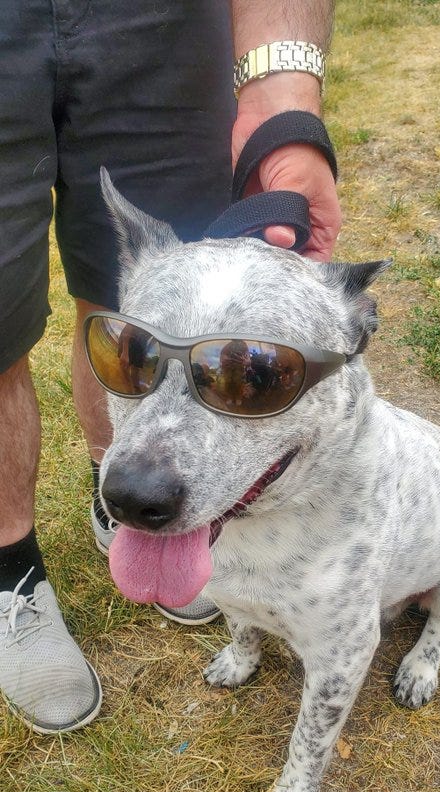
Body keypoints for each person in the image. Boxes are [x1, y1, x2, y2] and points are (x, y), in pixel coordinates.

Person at [0, 1, 342, 734]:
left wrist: (285, 105)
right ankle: (10, 576)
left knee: (146, 300)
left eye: (255, 378)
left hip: (163, 25)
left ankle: (113, 504)